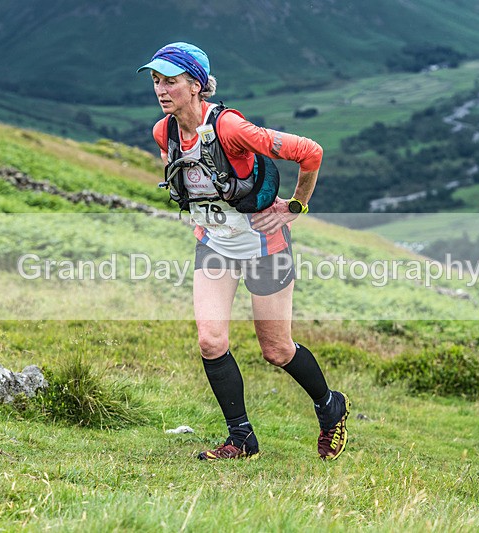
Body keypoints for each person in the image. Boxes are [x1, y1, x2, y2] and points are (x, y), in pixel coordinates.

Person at [137, 42, 349, 460]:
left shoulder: (230, 128)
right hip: (215, 246)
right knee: (210, 341)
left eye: (171, 81)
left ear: (196, 85)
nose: (161, 89)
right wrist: (203, 215)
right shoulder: (164, 132)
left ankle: (330, 406)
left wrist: (295, 207)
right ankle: (241, 439)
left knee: (277, 350)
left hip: (265, 247)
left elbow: (310, 152)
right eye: (157, 81)